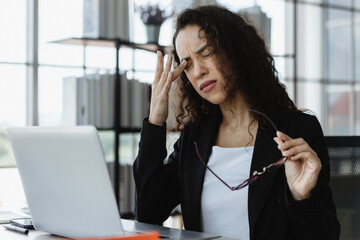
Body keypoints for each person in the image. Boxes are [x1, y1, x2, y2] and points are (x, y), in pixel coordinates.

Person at [133, 5, 340, 240]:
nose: (198, 71)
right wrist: (155, 122)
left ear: (236, 50)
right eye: (187, 64)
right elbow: (148, 214)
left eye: (207, 52)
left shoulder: (297, 130)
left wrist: (302, 197)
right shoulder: (195, 137)